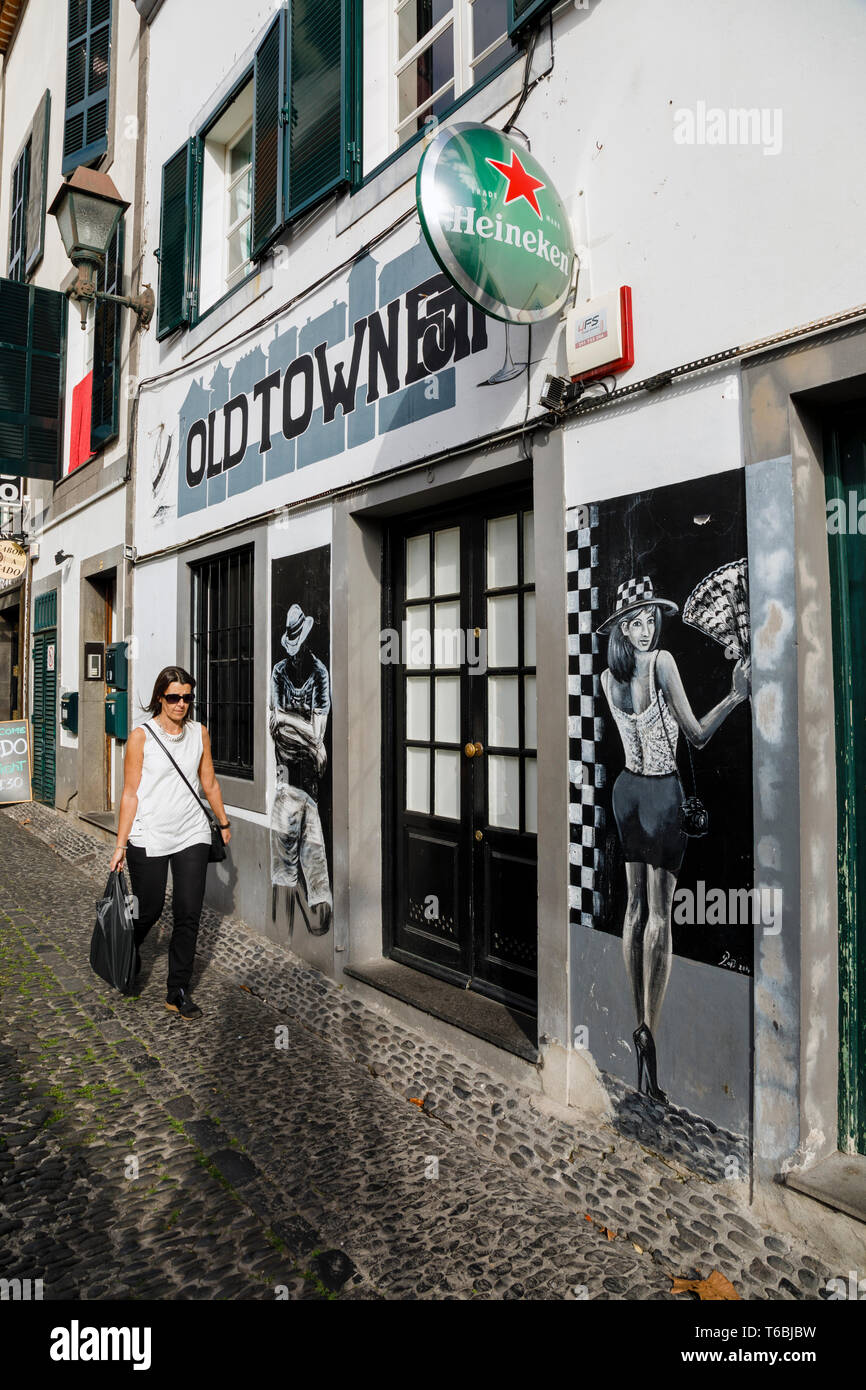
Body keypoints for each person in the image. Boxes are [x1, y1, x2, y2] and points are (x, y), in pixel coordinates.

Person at [597, 577, 750, 1104]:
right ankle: (647, 1028)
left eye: (649, 620)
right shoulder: (661, 662)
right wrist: (735, 694)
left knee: (633, 909)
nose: (644, 630)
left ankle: (637, 1020)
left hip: (626, 793)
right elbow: (698, 734)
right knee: (658, 915)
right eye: (634, 622)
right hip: (661, 795)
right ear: (622, 627)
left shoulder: (605, 678)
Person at [109, 666, 231, 1019]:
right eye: (174, 697)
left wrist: (222, 821)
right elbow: (130, 794)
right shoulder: (140, 737)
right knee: (149, 909)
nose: (181, 704)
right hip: (148, 833)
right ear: (160, 697)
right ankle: (126, 951)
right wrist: (120, 845)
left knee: (188, 912)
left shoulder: (199, 734)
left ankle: (177, 990)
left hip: (191, 831)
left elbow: (209, 782)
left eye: (187, 697)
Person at [269, 604, 332, 931]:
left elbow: (318, 730)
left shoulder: (319, 673)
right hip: (286, 780)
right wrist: (310, 741)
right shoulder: (279, 672)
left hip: (310, 786)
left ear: (306, 643)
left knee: (314, 858)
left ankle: (311, 921)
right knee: (283, 865)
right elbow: (274, 727)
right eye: (291, 650)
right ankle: (285, 927)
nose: (294, 656)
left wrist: (292, 726)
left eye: (299, 648)